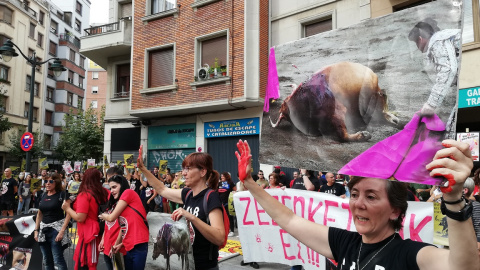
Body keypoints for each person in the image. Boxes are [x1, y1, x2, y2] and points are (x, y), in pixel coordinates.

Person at [235, 139, 478, 270]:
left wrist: (453, 197)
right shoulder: (344, 243)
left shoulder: (410, 254)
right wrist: (249, 183)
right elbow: (288, 219)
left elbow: (463, 268)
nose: (357, 204)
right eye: (354, 194)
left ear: (395, 210)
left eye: (371, 196)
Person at [137, 146, 225, 270]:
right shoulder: (187, 193)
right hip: (186, 265)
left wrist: (192, 217)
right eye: (184, 169)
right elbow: (162, 189)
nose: (184, 173)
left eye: (188, 169)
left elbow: (219, 238)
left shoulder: (211, 197)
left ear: (202, 172)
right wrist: (143, 169)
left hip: (204, 266)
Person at [62, 168, 109, 270]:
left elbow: (80, 218)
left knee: (85, 263)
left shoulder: (85, 195)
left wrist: (67, 209)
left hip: (88, 234)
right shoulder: (105, 192)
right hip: (99, 231)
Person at [99, 174, 149, 270]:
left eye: (114, 187)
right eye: (110, 188)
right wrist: (119, 244)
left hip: (138, 243)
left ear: (122, 185)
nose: (112, 191)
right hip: (128, 245)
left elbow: (111, 218)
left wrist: (102, 215)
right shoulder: (120, 202)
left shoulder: (128, 192)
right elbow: (124, 227)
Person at [34, 173, 70, 270]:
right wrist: (36, 230)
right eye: (46, 181)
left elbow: (69, 213)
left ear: (57, 182)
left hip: (56, 230)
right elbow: (39, 214)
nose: (47, 184)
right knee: (46, 260)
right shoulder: (43, 195)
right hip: (43, 229)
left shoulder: (62, 194)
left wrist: (62, 231)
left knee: (58, 259)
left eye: (50, 181)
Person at [219, 172, 236, 236]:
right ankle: (225, 230)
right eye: (221, 176)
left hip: (228, 203)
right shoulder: (219, 183)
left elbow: (235, 190)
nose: (222, 177)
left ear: (226, 176)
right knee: (222, 217)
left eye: (223, 176)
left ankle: (232, 230)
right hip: (221, 203)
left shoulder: (230, 183)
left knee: (230, 217)